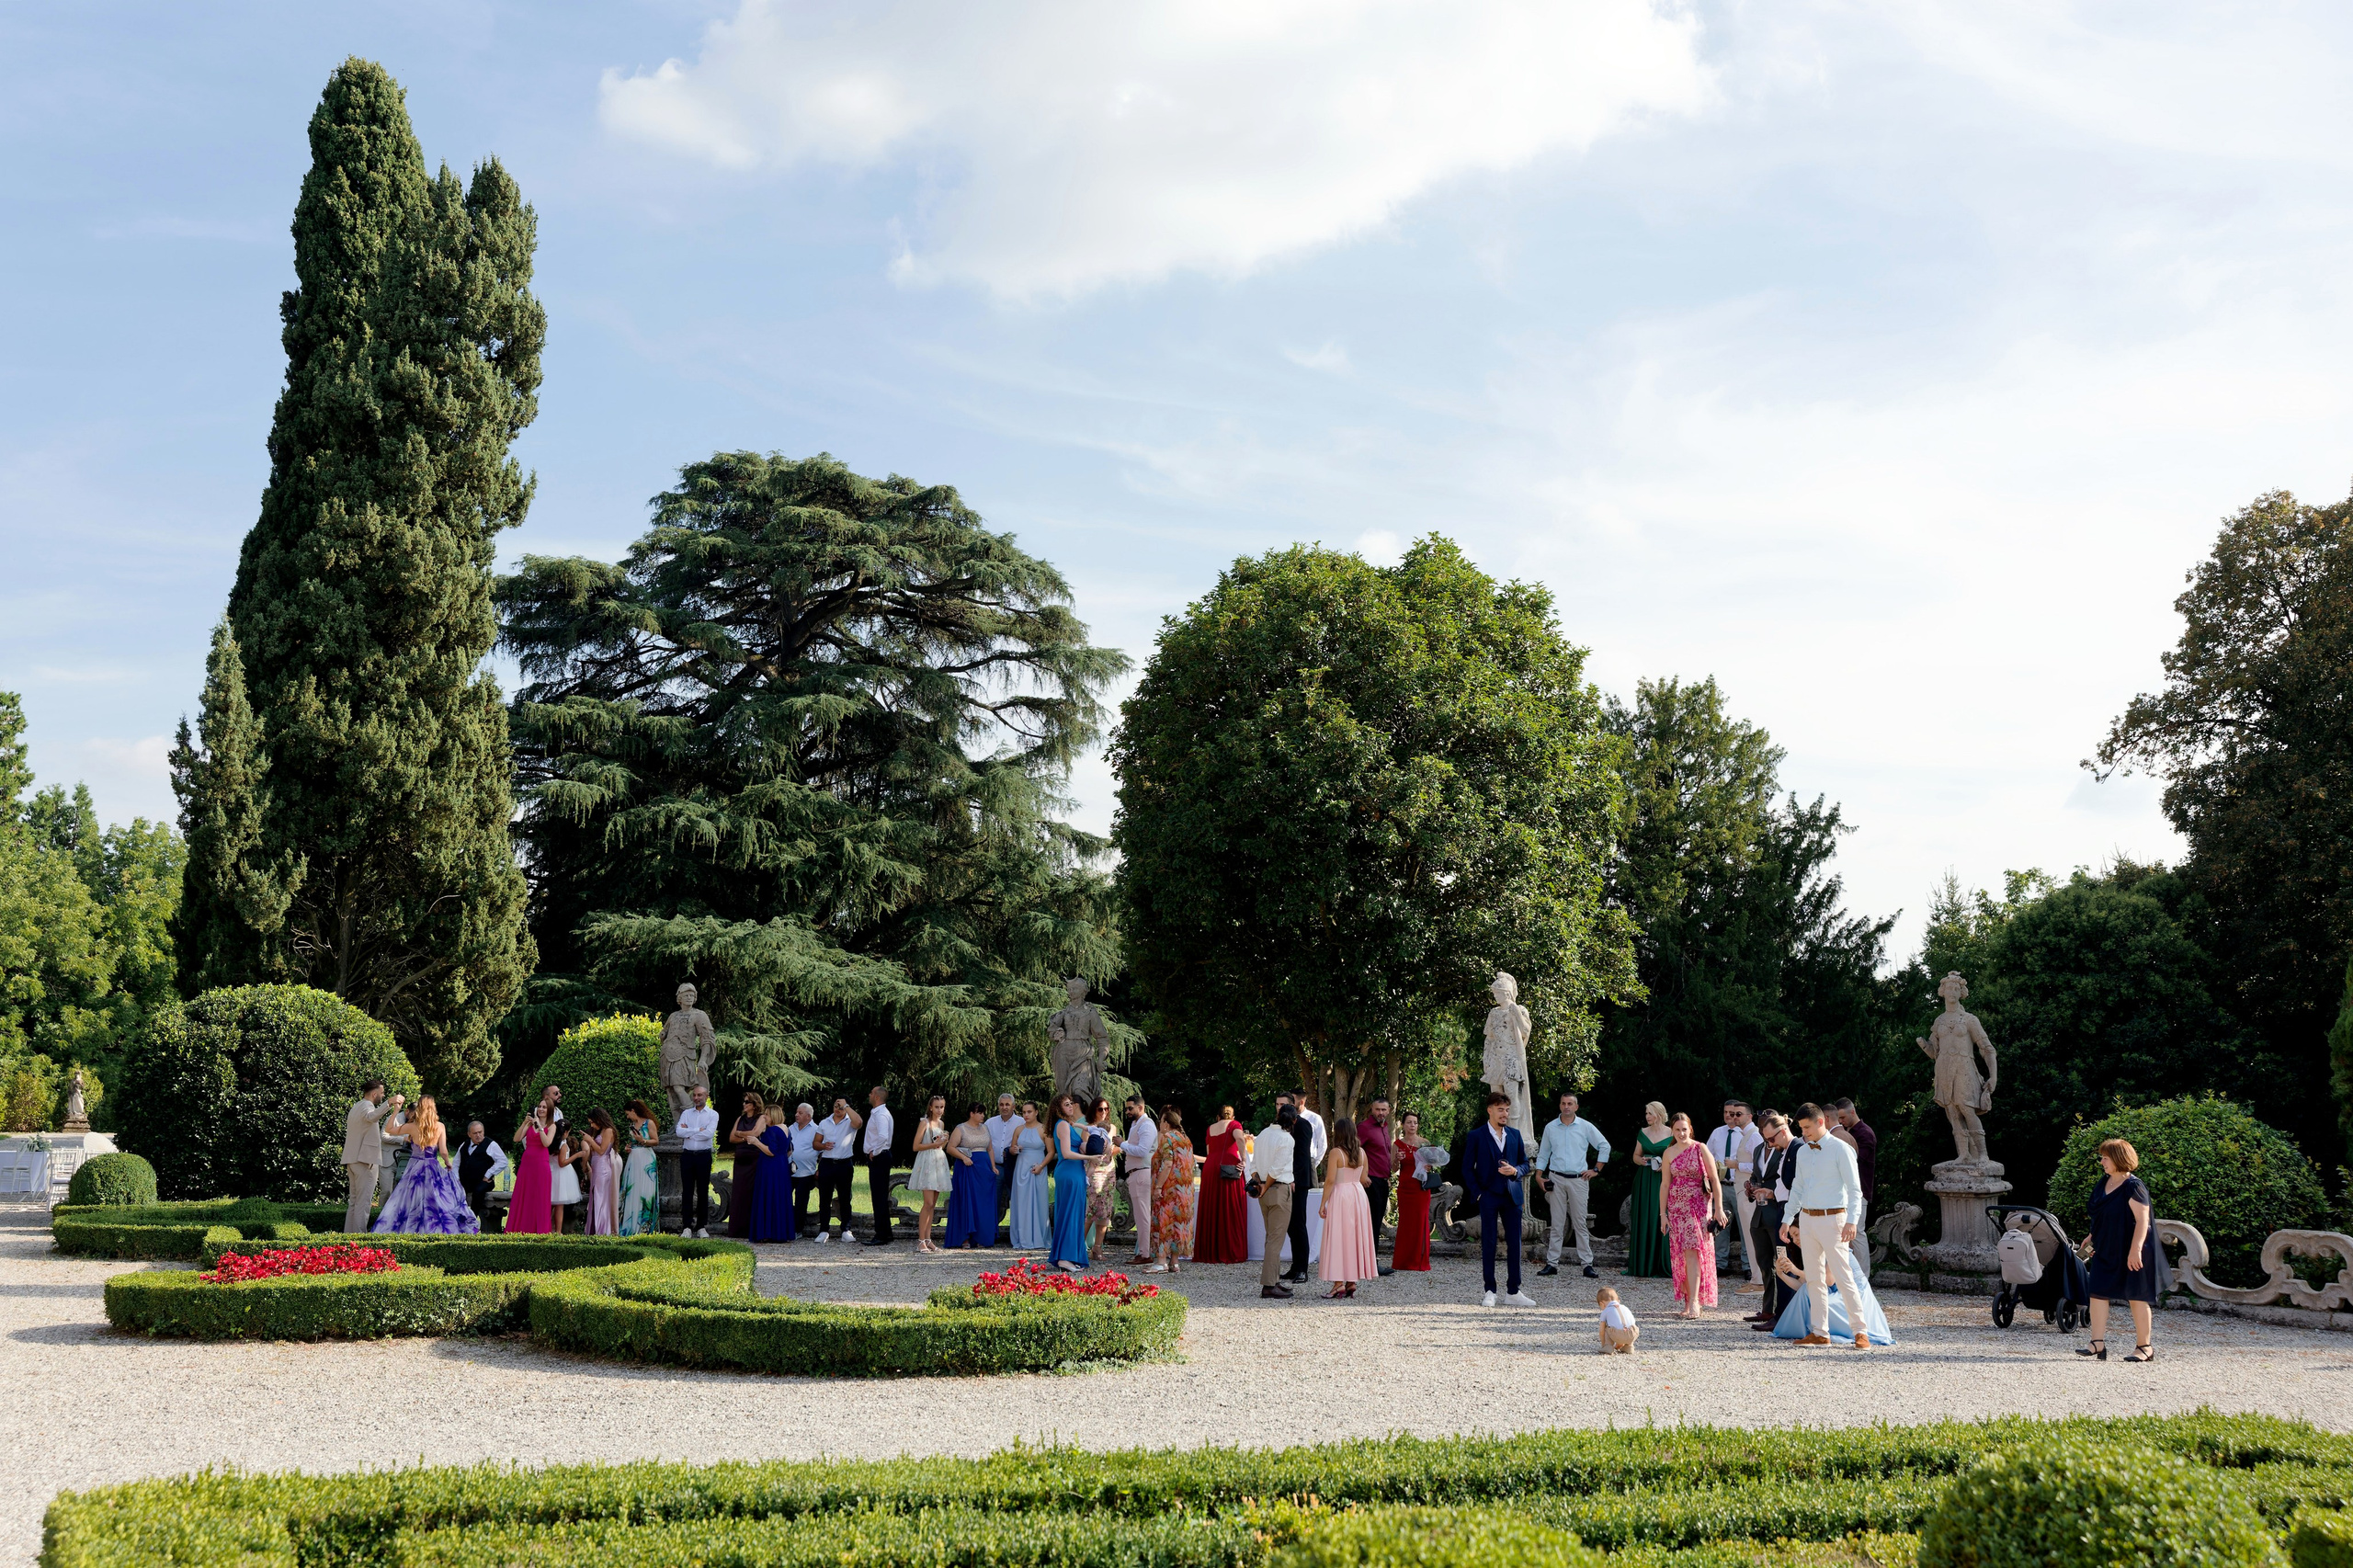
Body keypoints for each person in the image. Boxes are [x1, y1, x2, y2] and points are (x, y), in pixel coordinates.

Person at [1779, 1103, 1868, 1349]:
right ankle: (1819, 1332)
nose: (1804, 1132)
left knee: (1842, 1274)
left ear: (1821, 1122)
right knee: (1815, 1278)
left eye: (1807, 1127)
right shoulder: (1803, 1152)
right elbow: (1797, 1188)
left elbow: (1855, 1189)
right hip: (1807, 1219)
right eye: (1801, 1128)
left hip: (1834, 1218)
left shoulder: (1841, 1149)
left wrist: (1852, 1221)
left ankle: (1860, 1331)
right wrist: (1787, 1219)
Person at [2081, 1137, 2159, 1364]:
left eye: (2106, 1158)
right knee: (2097, 1292)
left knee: (2137, 1296)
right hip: (2105, 1246)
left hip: (2132, 1248)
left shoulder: (2134, 1186)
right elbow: (2101, 1215)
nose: (2102, 1162)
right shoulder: (2104, 1182)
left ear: (2118, 1159)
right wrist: (2091, 1236)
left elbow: (2143, 1221)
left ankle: (2144, 1347)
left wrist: (2135, 1251)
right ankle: (2097, 1343)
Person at [371, 1096, 480, 1233]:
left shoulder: (412, 1126)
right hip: (432, 1166)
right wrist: (447, 1163)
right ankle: (432, 1229)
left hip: (415, 1167)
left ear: (420, 1108)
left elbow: (389, 1129)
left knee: (408, 1198)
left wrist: (396, 1110)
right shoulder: (440, 1126)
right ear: (433, 1107)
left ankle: (410, 1228)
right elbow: (443, 1151)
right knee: (435, 1198)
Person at [1534, 1092, 1610, 1278]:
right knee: (1557, 1223)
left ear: (1576, 1107)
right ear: (1559, 1106)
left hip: (1579, 1179)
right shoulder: (1551, 1127)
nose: (1566, 1106)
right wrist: (1538, 1176)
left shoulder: (1585, 1126)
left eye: (1570, 1103)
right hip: (1556, 1178)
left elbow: (1604, 1145)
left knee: (1580, 1223)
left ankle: (1587, 1264)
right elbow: (1543, 1153)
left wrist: (1596, 1169)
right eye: (1563, 1103)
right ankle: (1552, 1263)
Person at [1467, 1091, 1533, 1307]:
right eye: (1500, 1110)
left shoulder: (1514, 1135)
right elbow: (1467, 1168)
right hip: (1488, 1195)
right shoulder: (1476, 1136)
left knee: (1515, 1243)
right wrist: (1478, 1192)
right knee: (1489, 1243)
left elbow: (1525, 1164)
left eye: (1507, 1110)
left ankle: (1513, 1291)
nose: (1505, 1114)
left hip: (1512, 1196)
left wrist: (1515, 1171)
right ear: (1490, 1110)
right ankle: (1490, 1290)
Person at [1659, 1111, 1726, 1319]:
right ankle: (1688, 1301)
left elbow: (1714, 1180)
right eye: (1677, 1130)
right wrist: (1663, 1214)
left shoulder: (1700, 1148)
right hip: (1677, 1208)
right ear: (1672, 1131)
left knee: (1693, 1252)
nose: (1681, 1133)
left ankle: (1695, 1301)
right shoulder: (1668, 1153)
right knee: (1681, 1256)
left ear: (1690, 1129)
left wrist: (1718, 1208)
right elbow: (1665, 1184)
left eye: (1684, 1129)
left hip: (1698, 1207)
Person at [1745, 1111, 1800, 1331]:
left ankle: (1783, 1315)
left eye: (1771, 1138)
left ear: (1783, 1130)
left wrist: (1789, 1216)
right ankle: (1775, 1312)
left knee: (1785, 1263)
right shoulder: (1775, 1149)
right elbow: (1780, 1185)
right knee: (1769, 1262)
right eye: (1765, 1137)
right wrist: (1759, 1189)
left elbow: (1795, 1186)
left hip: (1784, 1213)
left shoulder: (1797, 1149)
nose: (1769, 1142)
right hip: (1771, 1211)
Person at [1317, 1113, 1377, 1298]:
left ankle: (1338, 1284)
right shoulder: (1362, 1153)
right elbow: (1363, 1177)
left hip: (1341, 1195)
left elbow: (1330, 1180)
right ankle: (1351, 1281)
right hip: (1358, 1195)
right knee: (1354, 1237)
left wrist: (1323, 1203)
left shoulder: (1336, 1152)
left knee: (1339, 1237)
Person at [1706, 1101, 1761, 1286]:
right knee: (1720, 1226)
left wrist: (1736, 1165)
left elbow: (1758, 1164)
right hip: (1721, 1185)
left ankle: (1748, 1266)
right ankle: (1719, 1264)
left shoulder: (1748, 1134)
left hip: (1741, 1186)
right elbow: (1707, 1156)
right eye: (1727, 1112)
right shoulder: (1717, 1133)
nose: (1730, 1116)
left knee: (1746, 1227)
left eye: (1735, 1113)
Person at [1249, 1101, 1300, 1299]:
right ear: (1294, 1121)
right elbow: (1277, 1169)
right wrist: (1266, 1185)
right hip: (1278, 1189)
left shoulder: (1262, 1134)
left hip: (1264, 1189)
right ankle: (1269, 1285)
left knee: (1271, 1237)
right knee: (1275, 1240)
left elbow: (1254, 1165)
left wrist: (1259, 1184)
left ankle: (1274, 1280)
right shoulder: (1287, 1139)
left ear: (1278, 1117)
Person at [341, 1079, 404, 1233]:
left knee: (354, 1202)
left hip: (353, 1159)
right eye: (382, 1093)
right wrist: (389, 1103)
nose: (383, 1096)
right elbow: (372, 1116)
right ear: (375, 1094)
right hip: (364, 1161)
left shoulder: (356, 1106)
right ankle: (359, 1238)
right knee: (363, 1203)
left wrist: (394, 1110)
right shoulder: (367, 1107)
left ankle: (348, 1237)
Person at [1194, 1104, 1250, 1264]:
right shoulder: (1234, 1125)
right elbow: (1240, 1138)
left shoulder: (1210, 1128)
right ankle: (1230, 1250)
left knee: (1212, 1206)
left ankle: (1210, 1250)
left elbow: (1209, 1151)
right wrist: (1243, 1159)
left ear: (1218, 1117)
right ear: (1233, 1117)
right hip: (1229, 1165)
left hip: (1211, 1166)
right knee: (1230, 1206)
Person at [1050, 1093, 1097, 1272]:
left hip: (1074, 1172)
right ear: (1058, 1109)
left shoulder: (1067, 1125)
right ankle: (1064, 1258)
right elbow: (1067, 1153)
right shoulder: (1062, 1125)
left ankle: (1069, 1256)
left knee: (1074, 1214)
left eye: (1071, 1104)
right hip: (1069, 1172)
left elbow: (1077, 1147)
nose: (1071, 1106)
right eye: (1067, 1104)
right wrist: (1090, 1158)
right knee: (1070, 1214)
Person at [1627, 1102, 1673, 1278]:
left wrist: (1665, 1165)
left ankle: (1662, 1263)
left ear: (1659, 1114)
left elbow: (1677, 1155)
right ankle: (1643, 1264)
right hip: (1645, 1179)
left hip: (1663, 1178)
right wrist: (1641, 1160)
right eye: (1646, 1113)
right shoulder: (1643, 1132)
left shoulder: (1671, 1132)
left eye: (1650, 1113)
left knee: (1660, 1215)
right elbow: (1635, 1155)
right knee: (1645, 1215)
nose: (1647, 1116)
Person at [1149, 1105, 1196, 1273]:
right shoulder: (1186, 1139)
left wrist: (1158, 1187)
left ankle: (1161, 1261)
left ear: (1167, 1124)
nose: (1160, 1125)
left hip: (1169, 1190)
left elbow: (1168, 1164)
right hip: (1184, 1191)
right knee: (1178, 1224)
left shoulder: (1167, 1138)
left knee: (1165, 1222)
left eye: (1161, 1121)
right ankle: (1174, 1263)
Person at [945, 1103, 999, 1249]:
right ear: (971, 1113)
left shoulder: (985, 1128)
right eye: (979, 1113)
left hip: (984, 1170)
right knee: (967, 1201)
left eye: (983, 1113)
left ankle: (982, 1236)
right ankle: (965, 1238)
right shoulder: (960, 1128)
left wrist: (993, 1166)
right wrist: (963, 1158)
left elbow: (990, 1149)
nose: (982, 1115)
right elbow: (950, 1148)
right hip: (967, 1168)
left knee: (982, 1203)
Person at [748, 1097, 797, 1244]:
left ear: (773, 1116)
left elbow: (771, 1151)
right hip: (782, 1166)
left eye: (767, 1115)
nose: (764, 1117)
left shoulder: (773, 1130)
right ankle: (781, 1231)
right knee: (779, 1197)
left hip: (770, 1167)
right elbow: (789, 1150)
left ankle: (768, 1232)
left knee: (768, 1195)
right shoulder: (786, 1129)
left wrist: (756, 1142)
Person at [1279, 1093, 1317, 1283]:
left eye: (1283, 1104)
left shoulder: (1303, 1125)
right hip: (1285, 1180)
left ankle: (1302, 1269)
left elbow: (1302, 1156)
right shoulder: (1281, 1125)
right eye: (1277, 1104)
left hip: (1298, 1182)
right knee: (1290, 1226)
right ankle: (1295, 1267)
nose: (1279, 1107)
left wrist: (1294, 1178)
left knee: (1298, 1224)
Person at [909, 1095, 953, 1253]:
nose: (939, 1110)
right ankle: (921, 1240)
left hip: (938, 1161)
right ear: (930, 1107)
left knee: (933, 1204)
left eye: (942, 1107)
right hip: (927, 1161)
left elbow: (940, 1145)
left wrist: (944, 1141)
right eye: (936, 1107)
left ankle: (928, 1239)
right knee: (927, 1203)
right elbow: (916, 1146)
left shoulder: (941, 1123)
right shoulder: (925, 1123)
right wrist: (934, 1144)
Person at [813, 1096, 861, 1242]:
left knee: (845, 1198)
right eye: (836, 1106)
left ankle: (846, 1230)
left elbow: (859, 1122)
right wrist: (823, 1146)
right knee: (824, 1198)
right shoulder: (824, 1122)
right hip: (827, 1163)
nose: (837, 1109)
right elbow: (815, 1143)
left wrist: (846, 1107)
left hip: (844, 1163)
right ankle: (823, 1230)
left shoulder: (850, 1122)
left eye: (841, 1107)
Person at [1392, 1109, 1434, 1272]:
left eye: (1415, 1123)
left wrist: (1429, 1166)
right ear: (1403, 1125)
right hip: (1405, 1188)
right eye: (1409, 1122)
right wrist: (1397, 1160)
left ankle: (1420, 1259)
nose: (1412, 1125)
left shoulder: (1425, 1143)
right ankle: (1403, 1260)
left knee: (1421, 1222)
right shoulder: (1397, 1144)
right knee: (1405, 1223)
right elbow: (1393, 1168)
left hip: (1421, 1188)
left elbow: (1431, 1165)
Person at [674, 1084, 718, 1238]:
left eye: (699, 1095)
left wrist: (689, 1132)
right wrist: (698, 1130)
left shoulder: (713, 1115)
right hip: (687, 1156)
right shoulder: (686, 1113)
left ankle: (701, 1226)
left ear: (706, 1096)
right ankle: (686, 1226)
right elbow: (679, 1132)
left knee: (702, 1191)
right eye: (694, 1095)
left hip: (703, 1156)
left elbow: (708, 1134)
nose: (696, 1098)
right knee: (687, 1191)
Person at [507, 1100, 556, 1234]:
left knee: (539, 1197)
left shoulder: (552, 1126)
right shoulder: (530, 1124)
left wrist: (540, 1127)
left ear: (549, 1110)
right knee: (524, 1195)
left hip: (541, 1165)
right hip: (527, 1165)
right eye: (539, 1106)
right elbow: (516, 1139)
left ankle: (538, 1230)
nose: (541, 1109)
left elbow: (546, 1143)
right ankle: (519, 1228)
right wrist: (524, 1123)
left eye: (544, 1107)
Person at [1009, 1101, 1052, 1250]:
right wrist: (1014, 1150)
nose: (1026, 1115)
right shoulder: (1019, 1129)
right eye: (1024, 1112)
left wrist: (1041, 1166)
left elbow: (1051, 1152)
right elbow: (1012, 1149)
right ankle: (1023, 1237)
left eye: (1029, 1112)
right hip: (1021, 1168)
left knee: (1040, 1202)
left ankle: (1039, 1238)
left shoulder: (1044, 1129)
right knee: (1021, 1202)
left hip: (1038, 1167)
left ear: (1036, 1112)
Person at [1357, 1099, 1395, 1263]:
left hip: (1382, 1181)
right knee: (1371, 1223)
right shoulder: (1365, 1127)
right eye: (1378, 1109)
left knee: (1376, 1222)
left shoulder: (1385, 1127)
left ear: (1389, 1111)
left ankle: (1371, 1261)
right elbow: (1355, 1151)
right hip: (1370, 1182)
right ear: (1371, 1109)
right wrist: (1362, 1175)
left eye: (1384, 1110)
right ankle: (1370, 1262)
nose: (1381, 1113)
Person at [1121, 1096, 1159, 1265]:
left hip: (1142, 1173)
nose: (1127, 1112)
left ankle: (1145, 1254)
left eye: (1130, 1108)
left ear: (1141, 1107)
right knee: (1140, 1215)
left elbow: (1143, 1151)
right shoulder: (1137, 1124)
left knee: (1143, 1216)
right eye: (1126, 1109)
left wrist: (1122, 1144)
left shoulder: (1146, 1125)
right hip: (1137, 1173)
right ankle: (1144, 1251)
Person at [727, 1091, 767, 1241]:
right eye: (744, 1102)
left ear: (754, 1104)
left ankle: (752, 1228)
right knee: (739, 1192)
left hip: (754, 1159)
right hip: (740, 1159)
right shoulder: (740, 1118)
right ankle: (737, 1229)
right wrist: (745, 1137)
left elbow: (755, 1133)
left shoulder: (761, 1118)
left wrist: (740, 1133)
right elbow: (731, 1138)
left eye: (747, 1102)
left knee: (752, 1192)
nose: (744, 1104)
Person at [861, 1085, 897, 1247]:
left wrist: (874, 1152)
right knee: (880, 1196)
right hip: (880, 1156)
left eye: (871, 1092)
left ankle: (881, 1234)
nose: (869, 1094)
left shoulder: (881, 1114)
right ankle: (885, 1233)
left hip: (879, 1157)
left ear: (876, 1097)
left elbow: (883, 1136)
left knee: (879, 1197)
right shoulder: (879, 1113)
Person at [455, 1120, 506, 1231]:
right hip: (465, 1180)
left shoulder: (491, 1144)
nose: (478, 1135)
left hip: (484, 1181)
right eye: (475, 1133)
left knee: (478, 1191)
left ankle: (471, 1222)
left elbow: (503, 1161)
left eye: (480, 1132)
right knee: (455, 1191)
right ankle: (456, 1221)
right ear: (469, 1134)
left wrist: (489, 1174)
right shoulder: (464, 1145)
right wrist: (456, 1179)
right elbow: (455, 1164)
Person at [1084, 1097, 1120, 1256]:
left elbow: (1114, 1149)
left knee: (1105, 1209)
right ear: (1094, 1110)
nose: (1104, 1112)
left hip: (1109, 1170)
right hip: (1095, 1169)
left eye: (1106, 1109)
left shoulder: (1112, 1128)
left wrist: (1117, 1148)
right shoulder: (1089, 1128)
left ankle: (1097, 1247)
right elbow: (1085, 1149)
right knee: (1092, 1208)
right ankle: (1079, 1245)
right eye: (1100, 1109)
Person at [619, 1101, 661, 1237]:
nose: (627, 1117)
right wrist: (628, 1147)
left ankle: (644, 1227)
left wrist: (643, 1141)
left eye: (628, 1114)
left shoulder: (649, 1123)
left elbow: (656, 1141)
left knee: (645, 1191)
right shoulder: (632, 1125)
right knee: (633, 1190)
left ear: (633, 1110)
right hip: (633, 1160)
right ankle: (630, 1226)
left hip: (646, 1160)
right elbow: (632, 1142)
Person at [984, 1093, 1022, 1236]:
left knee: (1018, 1201)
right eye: (1001, 1104)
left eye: (1007, 1104)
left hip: (1015, 1167)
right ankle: (990, 1234)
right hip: (996, 1168)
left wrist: (1015, 1150)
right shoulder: (990, 1123)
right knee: (993, 1201)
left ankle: (1017, 1235)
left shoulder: (1021, 1122)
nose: (1004, 1107)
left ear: (1014, 1106)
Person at [1835, 1098, 1878, 1221]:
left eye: (1843, 1117)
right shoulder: (1845, 1132)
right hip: (1845, 1190)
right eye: (1839, 1118)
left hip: (1859, 1191)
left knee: (1857, 1230)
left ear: (1852, 1112)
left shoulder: (1865, 1134)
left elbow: (1855, 1162)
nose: (1840, 1121)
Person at [786, 1102, 822, 1237]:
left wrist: (820, 1169)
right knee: (784, 1199)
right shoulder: (791, 1128)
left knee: (801, 1202)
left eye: (800, 1113)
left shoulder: (817, 1130)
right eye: (797, 1112)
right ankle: (785, 1226)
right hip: (788, 1171)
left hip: (806, 1172)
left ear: (808, 1116)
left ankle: (797, 1230)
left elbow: (822, 1152)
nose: (796, 1115)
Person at [584, 1109, 620, 1236]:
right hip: (596, 1166)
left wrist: (590, 1140)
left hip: (603, 1167)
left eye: (592, 1122)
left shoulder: (609, 1131)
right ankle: (595, 1228)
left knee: (601, 1198)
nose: (592, 1125)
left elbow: (601, 1151)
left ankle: (602, 1230)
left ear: (599, 1119)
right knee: (596, 1196)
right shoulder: (601, 1131)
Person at [550, 1125, 585, 1233]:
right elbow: (562, 1163)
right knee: (559, 1205)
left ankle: (547, 1228)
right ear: (565, 1132)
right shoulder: (563, 1145)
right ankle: (558, 1231)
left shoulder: (550, 1142)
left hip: (551, 1171)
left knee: (550, 1204)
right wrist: (577, 1155)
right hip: (560, 1175)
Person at [1597, 1286, 1638, 1354]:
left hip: (1618, 1335)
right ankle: (1629, 1347)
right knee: (1629, 1325)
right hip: (1632, 1334)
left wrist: (1603, 1344)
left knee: (1605, 1328)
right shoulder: (1625, 1307)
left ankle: (1607, 1347)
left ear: (1601, 1304)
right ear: (1618, 1301)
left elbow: (1601, 1331)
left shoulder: (1606, 1311)